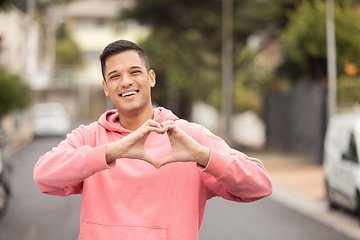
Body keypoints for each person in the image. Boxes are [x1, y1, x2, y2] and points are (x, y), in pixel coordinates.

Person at [33, 39, 272, 240]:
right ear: (106, 88)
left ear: (151, 78)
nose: (126, 81)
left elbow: (260, 185)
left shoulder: (187, 137)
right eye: (115, 76)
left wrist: (203, 156)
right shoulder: (89, 136)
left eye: (134, 72)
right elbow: (44, 176)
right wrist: (111, 151)